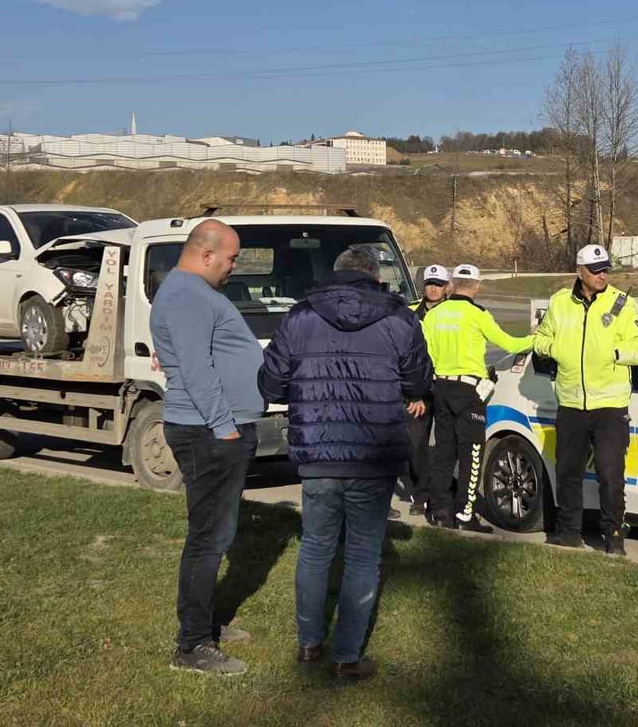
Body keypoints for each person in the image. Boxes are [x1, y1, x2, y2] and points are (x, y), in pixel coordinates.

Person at [258, 246, 431, 682]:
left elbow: (271, 383)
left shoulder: (300, 315)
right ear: (375, 276)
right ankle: (347, 655)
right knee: (361, 554)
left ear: (334, 274)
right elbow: (418, 380)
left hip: (317, 451)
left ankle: (309, 643)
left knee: (315, 548)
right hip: (374, 454)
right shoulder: (399, 317)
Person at [150, 219, 263, 677]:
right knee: (207, 539)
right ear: (207, 253)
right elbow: (196, 368)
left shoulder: (190, 293)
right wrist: (224, 426)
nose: (234, 267)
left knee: (217, 534)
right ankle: (193, 644)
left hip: (215, 428)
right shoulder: (187, 295)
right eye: (232, 258)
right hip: (208, 431)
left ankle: (206, 621)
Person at [535, 245, 638, 556]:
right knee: (568, 473)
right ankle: (568, 534)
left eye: (605, 270)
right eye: (596, 270)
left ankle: (613, 538)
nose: (603, 275)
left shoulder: (623, 304)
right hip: (572, 404)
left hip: (609, 406)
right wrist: (554, 348)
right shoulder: (559, 302)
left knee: (610, 475)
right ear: (580, 271)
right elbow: (541, 339)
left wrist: (616, 353)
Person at [423, 263, 533, 532]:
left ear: (451, 285)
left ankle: (439, 511)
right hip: (468, 390)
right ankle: (465, 513)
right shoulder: (477, 314)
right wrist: (538, 338)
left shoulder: (434, 315)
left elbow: (424, 353)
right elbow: (510, 344)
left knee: (443, 452)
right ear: (476, 286)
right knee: (471, 452)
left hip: (441, 387)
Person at [404, 264, 450, 515]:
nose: (433, 288)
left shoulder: (455, 312)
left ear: (447, 287)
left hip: (446, 385)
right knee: (415, 444)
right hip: (417, 389)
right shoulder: (410, 313)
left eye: (439, 284)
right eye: (430, 284)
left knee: (445, 445)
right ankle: (419, 495)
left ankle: (441, 496)